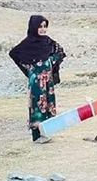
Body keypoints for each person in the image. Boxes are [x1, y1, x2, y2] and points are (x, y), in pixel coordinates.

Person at [9, 15, 66, 143]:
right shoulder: (27, 43)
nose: (43, 29)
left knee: (48, 104)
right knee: (37, 105)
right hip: (36, 80)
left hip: (48, 79)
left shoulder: (48, 41)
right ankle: (37, 136)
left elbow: (60, 52)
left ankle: (47, 132)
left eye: (45, 26)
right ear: (34, 27)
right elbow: (13, 53)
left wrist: (51, 61)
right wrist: (29, 68)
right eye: (40, 26)